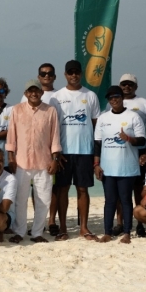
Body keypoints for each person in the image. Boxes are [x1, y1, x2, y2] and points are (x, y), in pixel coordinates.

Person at [5, 79, 62, 243]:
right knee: (20, 199)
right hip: (21, 162)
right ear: (25, 94)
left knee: (43, 199)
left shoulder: (50, 111)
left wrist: (55, 159)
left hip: (43, 162)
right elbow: (11, 136)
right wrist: (10, 157)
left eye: (36, 90)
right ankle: (19, 231)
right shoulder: (17, 110)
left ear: (42, 92)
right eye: (30, 91)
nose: (34, 93)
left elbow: (55, 137)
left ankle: (37, 233)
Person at [50, 60, 100, 241]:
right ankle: (63, 228)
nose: (74, 76)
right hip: (63, 152)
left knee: (82, 190)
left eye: (77, 72)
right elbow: (52, 126)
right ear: (65, 75)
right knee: (62, 190)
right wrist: (55, 153)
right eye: (70, 73)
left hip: (84, 151)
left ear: (81, 74)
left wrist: (96, 155)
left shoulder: (91, 96)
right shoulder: (56, 97)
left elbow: (97, 127)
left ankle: (84, 228)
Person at [94, 85, 146, 244]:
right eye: (110, 98)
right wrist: (96, 164)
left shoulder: (133, 117)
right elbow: (97, 143)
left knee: (125, 200)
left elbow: (143, 141)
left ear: (122, 97)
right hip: (108, 168)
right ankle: (107, 232)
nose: (114, 100)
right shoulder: (103, 118)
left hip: (127, 167)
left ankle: (127, 233)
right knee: (109, 201)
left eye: (117, 96)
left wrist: (129, 139)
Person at [118, 73, 146, 237]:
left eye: (130, 84)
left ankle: (141, 223)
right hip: (119, 152)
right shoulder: (115, 101)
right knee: (120, 189)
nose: (127, 87)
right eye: (124, 84)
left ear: (136, 86)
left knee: (139, 189)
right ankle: (120, 223)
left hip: (139, 152)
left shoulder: (144, 103)